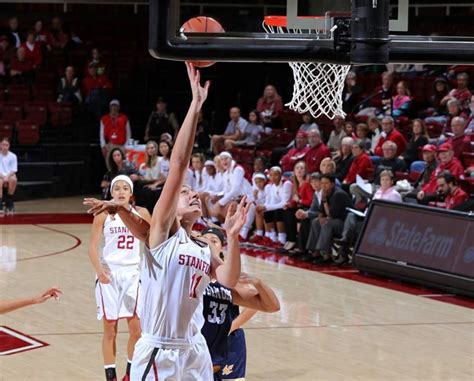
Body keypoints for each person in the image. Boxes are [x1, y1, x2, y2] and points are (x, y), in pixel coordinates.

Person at [86, 63, 250, 381]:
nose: (191, 194)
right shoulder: (162, 233)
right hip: (160, 347)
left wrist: (233, 237)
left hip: (194, 347)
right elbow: (178, 163)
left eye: (193, 193)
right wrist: (195, 105)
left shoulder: (204, 248)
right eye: (183, 192)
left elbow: (228, 280)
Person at [88, 175, 151, 381]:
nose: (121, 191)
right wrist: (99, 271)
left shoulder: (141, 213)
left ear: (131, 193)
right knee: (110, 329)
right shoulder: (103, 215)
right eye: (117, 188)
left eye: (125, 188)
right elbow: (92, 248)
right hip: (110, 274)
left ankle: (130, 374)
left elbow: (153, 240)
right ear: (111, 193)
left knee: (137, 330)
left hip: (133, 273)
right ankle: (110, 376)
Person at [199, 228, 280, 381]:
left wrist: (257, 282)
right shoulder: (193, 273)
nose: (208, 243)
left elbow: (271, 306)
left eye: (213, 241)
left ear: (221, 247)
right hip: (197, 346)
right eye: (205, 239)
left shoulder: (228, 277)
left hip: (227, 340)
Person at [336, 170, 401, 264]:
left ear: (391, 182)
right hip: (370, 216)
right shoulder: (378, 192)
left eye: (387, 180)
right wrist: (366, 212)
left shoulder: (394, 195)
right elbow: (371, 205)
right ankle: (345, 239)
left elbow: (394, 213)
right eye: (383, 180)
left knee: (356, 227)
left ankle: (346, 251)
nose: (384, 182)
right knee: (351, 216)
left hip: (383, 221)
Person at [305, 173, 352, 264]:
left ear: (332, 184)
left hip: (344, 224)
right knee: (316, 222)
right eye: (322, 183)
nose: (323, 185)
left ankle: (326, 254)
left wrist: (325, 201)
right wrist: (321, 216)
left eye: (326, 183)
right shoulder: (326, 192)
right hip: (334, 220)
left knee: (327, 224)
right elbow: (322, 211)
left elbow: (332, 215)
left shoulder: (338, 194)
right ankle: (315, 251)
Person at [256, 166, 292, 248]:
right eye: (271, 175)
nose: (273, 177)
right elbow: (270, 202)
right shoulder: (270, 186)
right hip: (278, 207)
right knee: (266, 212)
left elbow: (284, 203)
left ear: (280, 175)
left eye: (276, 175)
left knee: (278, 211)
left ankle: (282, 239)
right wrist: (265, 207)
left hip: (288, 207)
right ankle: (271, 237)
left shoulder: (286, 184)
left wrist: (266, 207)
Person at [0, 137, 17, 215]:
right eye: (3, 145)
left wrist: (7, 177)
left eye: (6, 145)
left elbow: (14, 170)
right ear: (0, 145)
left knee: (13, 179)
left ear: (9, 146)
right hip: (0, 175)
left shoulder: (13, 156)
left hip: (9, 175)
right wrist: (3, 177)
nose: (5, 146)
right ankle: (0, 205)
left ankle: (9, 202)